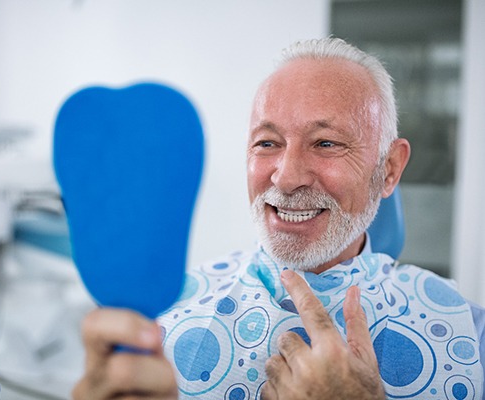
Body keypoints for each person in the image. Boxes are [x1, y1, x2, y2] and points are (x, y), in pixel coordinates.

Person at [72, 38, 485, 399]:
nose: (286, 178)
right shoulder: (160, 322)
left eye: (325, 143)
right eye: (267, 142)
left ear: (390, 169)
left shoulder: (468, 332)